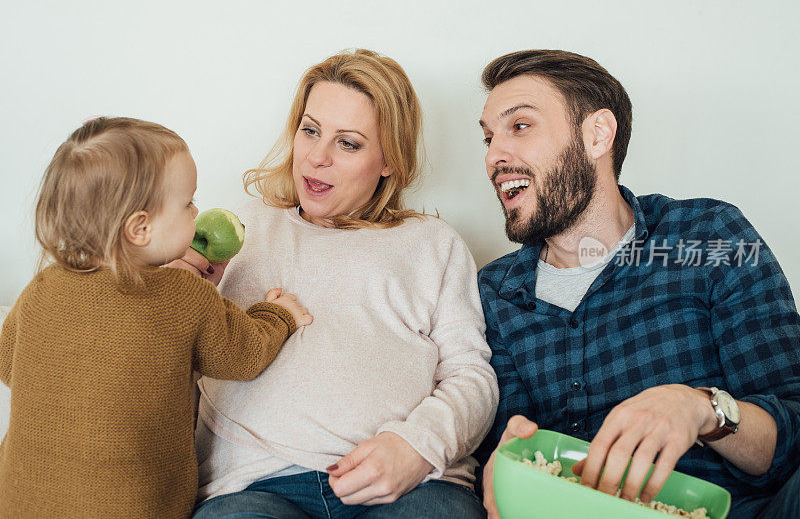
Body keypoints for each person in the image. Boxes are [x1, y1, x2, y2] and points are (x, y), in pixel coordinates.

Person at [474, 50, 800, 519]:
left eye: (519, 126)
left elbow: (790, 439)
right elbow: (514, 447)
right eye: (487, 138)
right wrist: (503, 465)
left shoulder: (711, 237)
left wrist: (700, 409)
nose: (493, 156)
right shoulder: (495, 292)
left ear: (597, 134)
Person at [174, 49, 498, 519]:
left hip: (411, 489)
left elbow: (472, 375)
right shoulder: (243, 230)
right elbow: (172, 357)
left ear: (389, 159)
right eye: (310, 130)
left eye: (348, 143)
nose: (316, 157)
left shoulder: (433, 244)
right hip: (255, 485)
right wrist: (183, 292)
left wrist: (417, 447)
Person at [0, 117, 311, 518]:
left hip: (18, 501)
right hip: (137, 507)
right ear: (140, 228)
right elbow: (244, 355)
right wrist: (277, 315)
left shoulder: (45, 285)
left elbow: (8, 362)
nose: (196, 211)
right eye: (187, 204)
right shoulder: (185, 296)